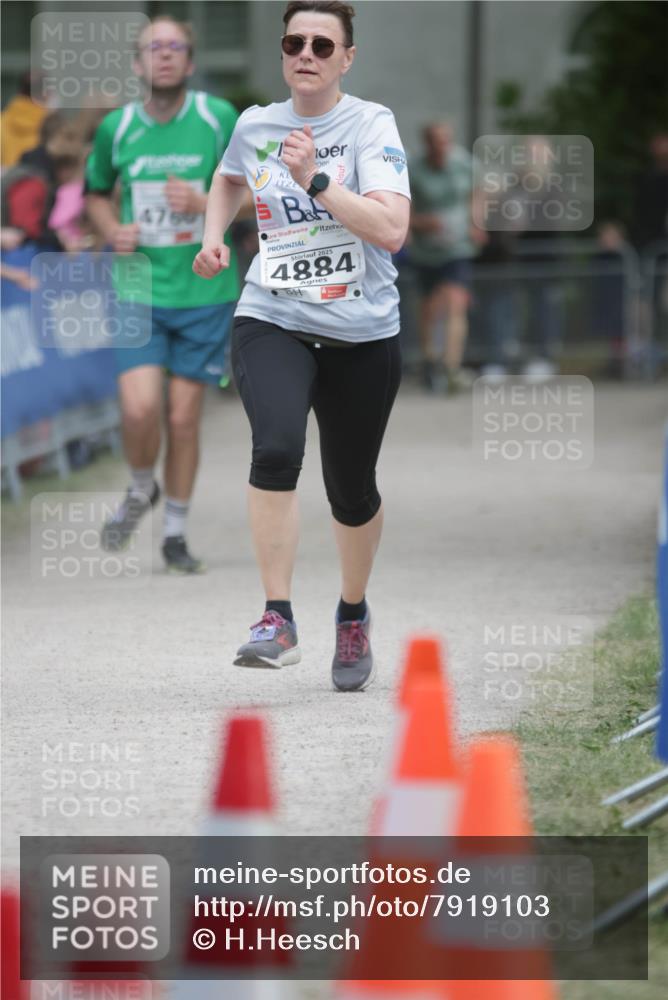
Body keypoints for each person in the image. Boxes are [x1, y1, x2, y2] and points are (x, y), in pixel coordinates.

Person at [193, 0, 410, 691]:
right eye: (295, 43)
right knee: (277, 448)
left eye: (322, 44)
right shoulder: (255, 124)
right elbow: (229, 177)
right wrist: (212, 237)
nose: (306, 54)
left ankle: (352, 613)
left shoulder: (371, 125)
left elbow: (391, 231)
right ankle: (276, 616)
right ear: (283, 52)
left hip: (360, 331)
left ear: (347, 58)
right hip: (273, 314)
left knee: (352, 490)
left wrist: (315, 178)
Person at [85, 15, 241, 572]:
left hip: (204, 286)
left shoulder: (217, 118)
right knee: (140, 408)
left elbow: (259, 190)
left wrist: (208, 205)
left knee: (181, 419)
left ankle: (174, 533)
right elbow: (96, 193)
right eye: (155, 47)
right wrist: (112, 229)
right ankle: (139, 486)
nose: (166, 54)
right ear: (138, 63)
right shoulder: (118, 127)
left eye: (176, 47)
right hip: (138, 286)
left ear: (191, 62)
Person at [409, 122, 484, 393]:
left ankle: (452, 366)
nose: (442, 147)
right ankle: (430, 361)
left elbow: (479, 193)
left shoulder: (464, 164)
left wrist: (476, 221)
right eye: (436, 142)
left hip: (457, 247)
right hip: (426, 249)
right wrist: (420, 223)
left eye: (446, 141)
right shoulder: (413, 169)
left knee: (456, 302)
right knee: (429, 308)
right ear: (427, 144)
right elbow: (403, 210)